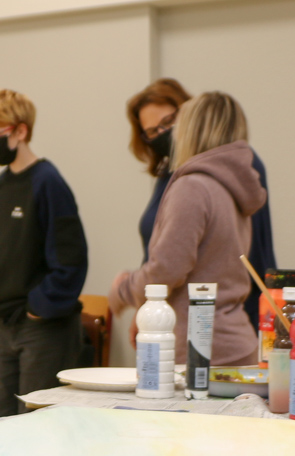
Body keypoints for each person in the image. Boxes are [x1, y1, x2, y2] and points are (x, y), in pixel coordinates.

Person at [109, 91, 265, 366]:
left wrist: (124, 289)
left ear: (191, 130)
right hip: (236, 345)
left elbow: (167, 268)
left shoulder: (193, 187)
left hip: (202, 354)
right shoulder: (232, 186)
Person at [0, 89, 87, 417]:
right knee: (2, 420)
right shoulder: (1, 184)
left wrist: (39, 307)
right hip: (6, 321)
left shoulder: (48, 182)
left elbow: (71, 258)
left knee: (36, 423)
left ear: (21, 131)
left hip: (42, 327)